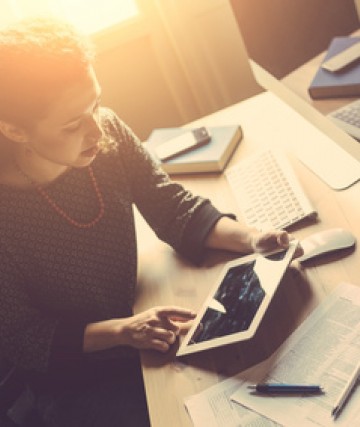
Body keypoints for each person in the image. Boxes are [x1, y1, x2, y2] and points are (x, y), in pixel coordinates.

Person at [0, 17, 300, 427]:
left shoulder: (107, 132)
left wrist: (254, 238)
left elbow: (171, 206)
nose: (95, 130)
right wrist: (125, 330)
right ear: (14, 129)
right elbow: (24, 340)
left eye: (95, 105)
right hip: (80, 377)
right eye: (72, 124)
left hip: (143, 330)